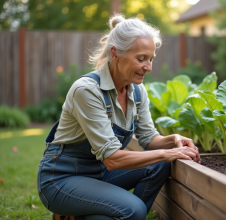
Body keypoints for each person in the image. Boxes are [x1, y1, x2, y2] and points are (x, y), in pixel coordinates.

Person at [37, 14, 201, 220]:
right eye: (141, 59)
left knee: (160, 165)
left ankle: (96, 214)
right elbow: (113, 159)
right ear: (115, 53)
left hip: (99, 174)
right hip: (62, 179)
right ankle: (85, 211)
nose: (148, 67)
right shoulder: (87, 90)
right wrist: (166, 153)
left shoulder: (138, 92)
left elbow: (149, 139)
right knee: (134, 209)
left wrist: (173, 140)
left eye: (150, 59)